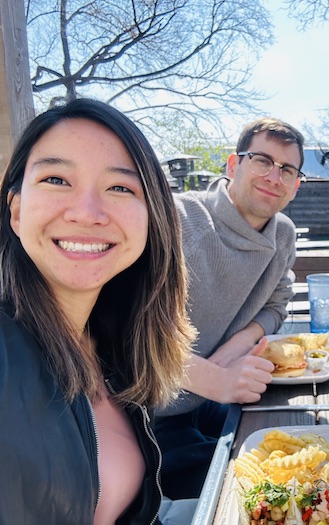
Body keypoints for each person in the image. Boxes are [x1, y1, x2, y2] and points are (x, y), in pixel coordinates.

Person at [0, 98, 195, 523]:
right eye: (56, 179)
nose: (87, 214)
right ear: (16, 211)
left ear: (152, 218)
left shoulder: (113, 341)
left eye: (120, 188)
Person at [154, 118, 304, 499]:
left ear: (295, 186)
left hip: (209, 401)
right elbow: (125, 328)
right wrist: (214, 378)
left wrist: (237, 344)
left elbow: (277, 303)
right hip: (147, 411)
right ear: (233, 164)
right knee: (248, 486)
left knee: (294, 447)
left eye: (287, 169)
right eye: (262, 160)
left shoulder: (284, 235)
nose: (274, 177)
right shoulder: (177, 219)